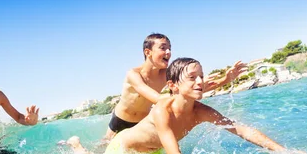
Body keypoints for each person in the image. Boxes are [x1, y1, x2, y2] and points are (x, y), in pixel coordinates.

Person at [68, 57, 307, 154]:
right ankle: (75, 144)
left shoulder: (201, 111)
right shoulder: (163, 109)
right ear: (173, 86)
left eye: (202, 76)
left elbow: (242, 130)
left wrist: (284, 151)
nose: (201, 81)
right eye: (193, 77)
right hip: (122, 150)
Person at [104, 33, 246, 141]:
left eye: (170, 48)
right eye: (163, 48)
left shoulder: (166, 75)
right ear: (148, 52)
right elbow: (159, 98)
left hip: (142, 123)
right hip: (120, 121)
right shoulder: (134, 74)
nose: (168, 52)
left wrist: (225, 79)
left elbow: (186, 90)